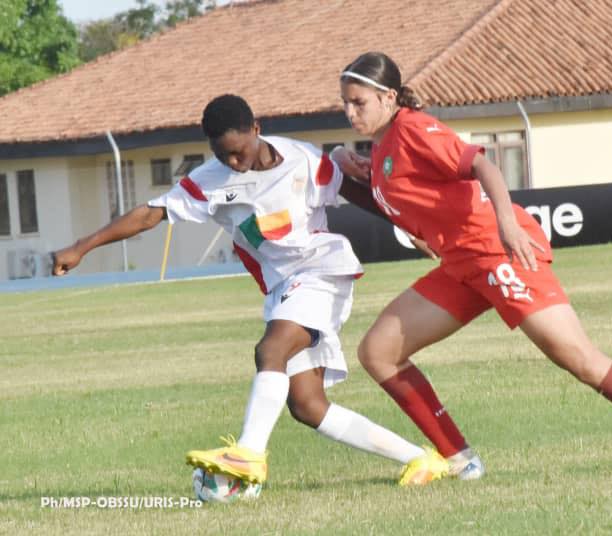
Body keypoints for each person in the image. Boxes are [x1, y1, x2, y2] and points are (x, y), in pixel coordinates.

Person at [334, 52, 612, 486]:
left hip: (497, 253)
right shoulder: (384, 144)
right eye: (346, 103)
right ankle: (462, 461)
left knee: (580, 360)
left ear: (389, 97)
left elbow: (482, 164)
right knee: (379, 352)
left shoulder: (413, 129)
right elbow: (402, 200)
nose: (351, 113)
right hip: (462, 265)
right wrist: (352, 174)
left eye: (359, 102)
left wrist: (506, 226)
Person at [50, 94, 445, 486]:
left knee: (270, 350)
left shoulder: (303, 160)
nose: (234, 163)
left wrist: (410, 225)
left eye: (239, 152)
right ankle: (420, 459)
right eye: (224, 156)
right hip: (282, 288)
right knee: (308, 406)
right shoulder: (210, 181)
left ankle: (248, 456)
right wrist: (82, 246)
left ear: (256, 129)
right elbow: (151, 214)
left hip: (322, 272)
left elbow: (356, 191)